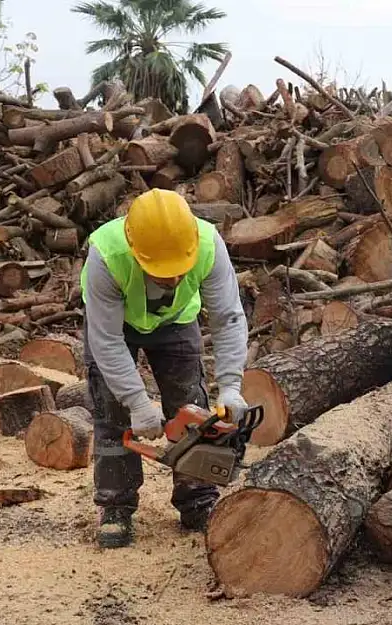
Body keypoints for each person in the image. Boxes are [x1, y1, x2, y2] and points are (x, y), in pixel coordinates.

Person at [80, 188, 249, 549]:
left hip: (177, 321)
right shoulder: (107, 257)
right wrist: (137, 402)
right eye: (162, 272)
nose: (172, 280)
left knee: (192, 408)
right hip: (115, 326)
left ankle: (198, 499)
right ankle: (115, 506)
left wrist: (232, 385)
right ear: (137, 251)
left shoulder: (207, 245)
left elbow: (228, 316)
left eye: (177, 271)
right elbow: (107, 341)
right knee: (112, 411)